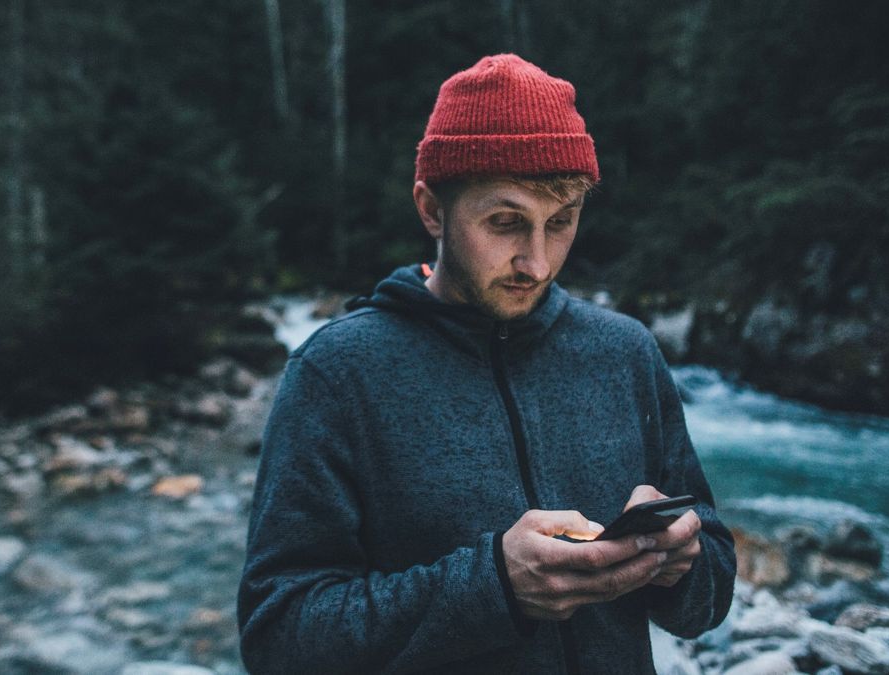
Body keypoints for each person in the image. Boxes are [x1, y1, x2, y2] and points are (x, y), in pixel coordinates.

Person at [237, 54, 736, 674]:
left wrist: (679, 564)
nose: (538, 262)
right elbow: (277, 636)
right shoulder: (338, 373)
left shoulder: (624, 351)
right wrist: (493, 587)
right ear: (431, 210)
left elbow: (707, 598)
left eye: (561, 223)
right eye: (505, 223)